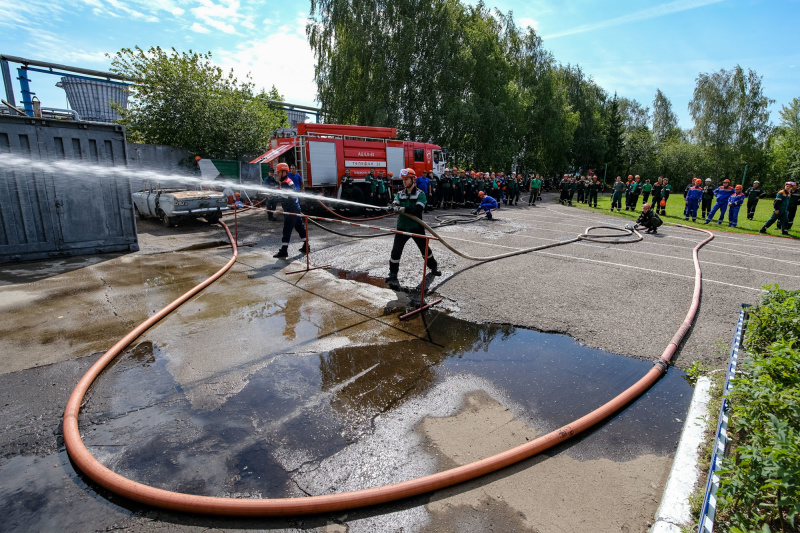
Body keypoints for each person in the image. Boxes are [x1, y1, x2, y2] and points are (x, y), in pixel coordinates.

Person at [385, 168, 441, 288]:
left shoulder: (421, 194)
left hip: (416, 227)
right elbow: (396, 201)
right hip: (402, 227)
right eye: (403, 179)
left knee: (425, 250)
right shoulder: (400, 194)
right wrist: (393, 207)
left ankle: (433, 267)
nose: (404, 181)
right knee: (395, 252)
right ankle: (393, 273)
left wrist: (403, 209)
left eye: (406, 179)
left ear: (413, 179)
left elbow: (417, 210)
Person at [273, 162, 308, 259]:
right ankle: (306, 246)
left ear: (284, 172)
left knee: (287, 229)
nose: (277, 174)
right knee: (300, 228)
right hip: (295, 208)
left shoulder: (285, 183)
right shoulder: (289, 181)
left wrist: (274, 196)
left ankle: (284, 251)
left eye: (279, 172)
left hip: (291, 210)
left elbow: (284, 197)